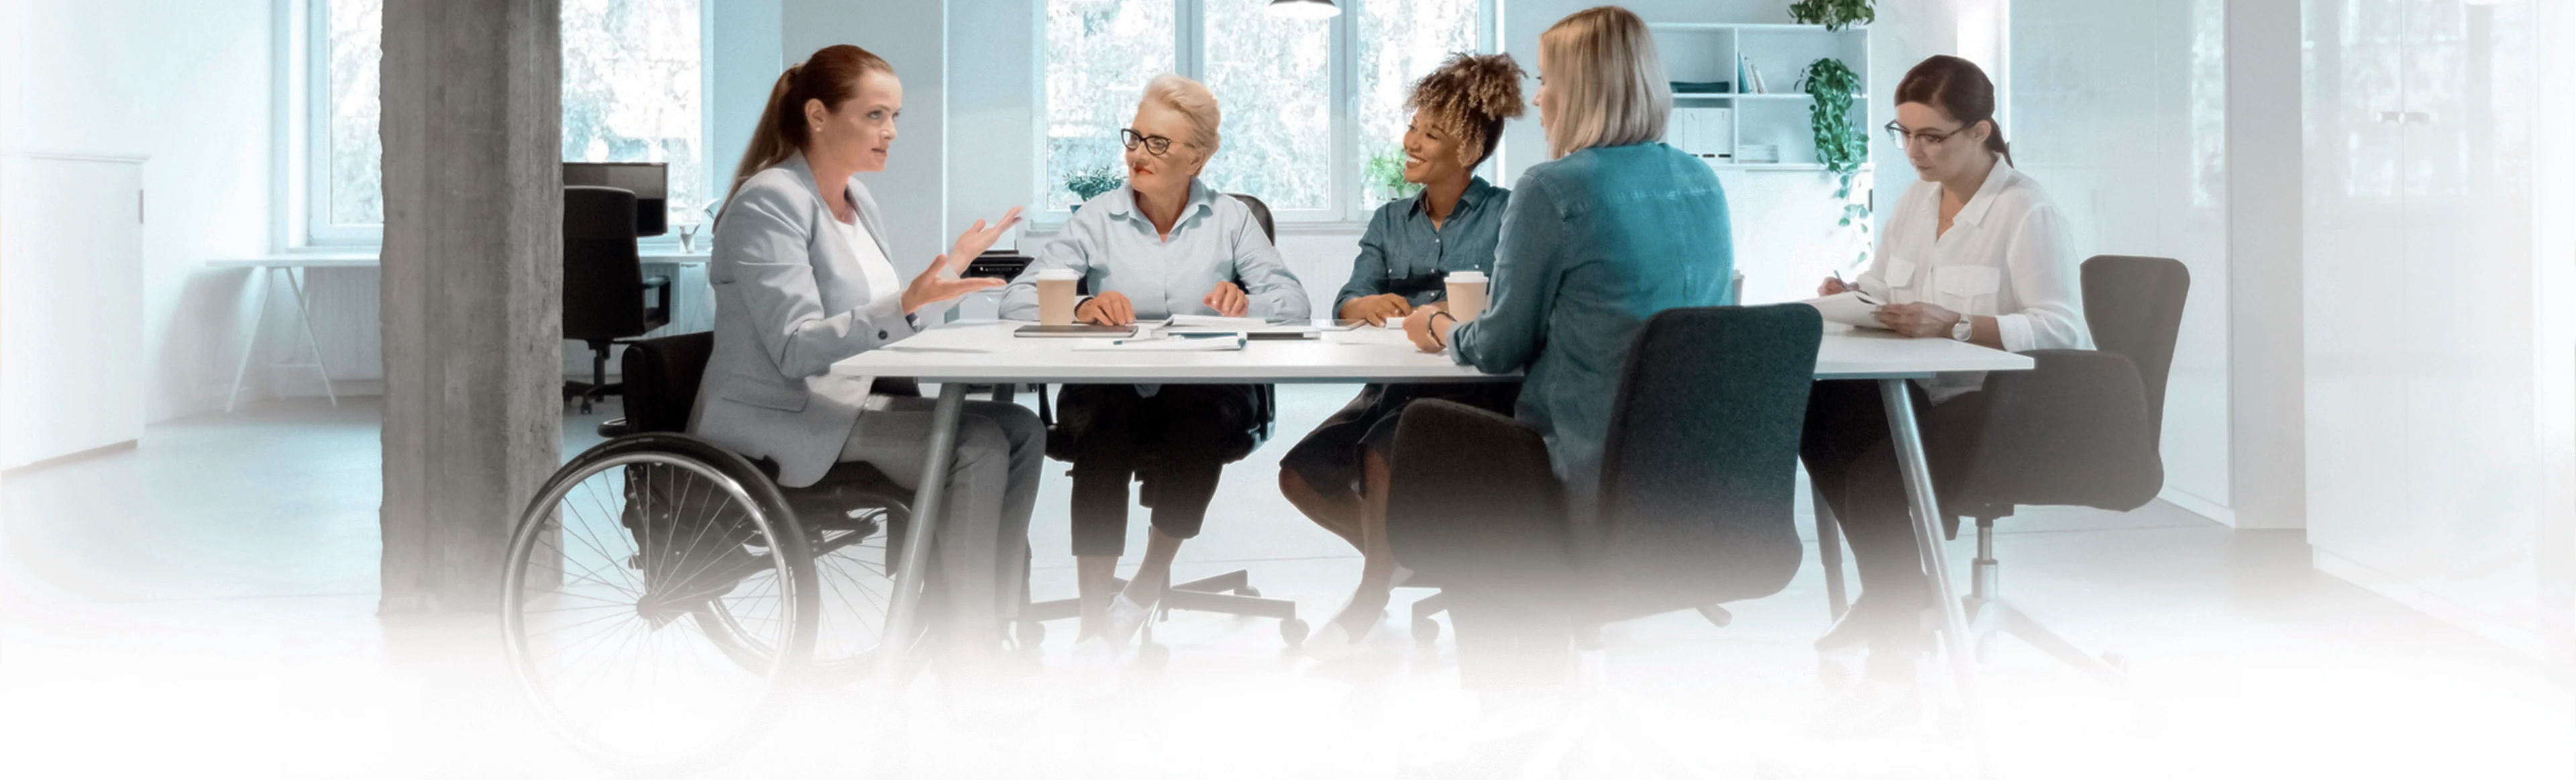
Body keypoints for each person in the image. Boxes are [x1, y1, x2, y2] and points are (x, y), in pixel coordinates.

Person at [1393, 5, 1733, 689]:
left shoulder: (1553, 189)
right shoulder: (1703, 182)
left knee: (1424, 431)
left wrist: (1438, 327)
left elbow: (1497, 345)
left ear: (1585, 90)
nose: (1539, 99)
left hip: (1587, 477)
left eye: (1548, 81)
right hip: (1698, 485)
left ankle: (1509, 699)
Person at [690, 44, 1041, 672]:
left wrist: (956, 272)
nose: (892, 133)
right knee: (977, 445)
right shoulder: (770, 201)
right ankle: (972, 643)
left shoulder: (855, 202)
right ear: (819, 115)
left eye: (895, 116)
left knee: (1022, 428)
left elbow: (886, 321)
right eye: (876, 115)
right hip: (786, 413)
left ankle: (985, 614)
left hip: (848, 399)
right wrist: (907, 301)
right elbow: (797, 346)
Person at [1801, 54, 2088, 725]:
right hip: (1920, 391)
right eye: (1903, 133)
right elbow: (1886, 284)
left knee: (1876, 477)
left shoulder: (2027, 211)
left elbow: (2062, 329)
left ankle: (1895, 653)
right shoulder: (1915, 200)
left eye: (1932, 136)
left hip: (1993, 408)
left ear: (1981, 131)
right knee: (1812, 409)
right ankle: (1904, 589)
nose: (1914, 151)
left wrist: (1956, 323)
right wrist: (1853, 296)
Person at [998, 74, 1309, 659]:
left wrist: (1248, 303)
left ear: (1199, 156)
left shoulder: (1232, 220)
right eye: (1136, 138)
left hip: (1202, 387)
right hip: (1112, 385)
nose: (1138, 154)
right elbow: (1016, 299)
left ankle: (1142, 589)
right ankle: (1095, 623)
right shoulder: (1096, 218)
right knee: (1104, 437)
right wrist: (1084, 305)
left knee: (1197, 425)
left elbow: (1294, 304)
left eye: (1159, 144)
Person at [1275, 52, 1527, 659]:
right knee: (1299, 474)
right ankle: (1402, 559)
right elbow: (1347, 300)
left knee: (1381, 453)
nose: (1409, 141)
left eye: (1429, 133)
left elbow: (1506, 309)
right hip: (1391, 384)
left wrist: (1438, 310)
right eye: (1412, 126)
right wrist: (1361, 307)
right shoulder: (1390, 219)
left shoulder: (1508, 213)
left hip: (1468, 392)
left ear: (1466, 151)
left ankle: (1371, 592)